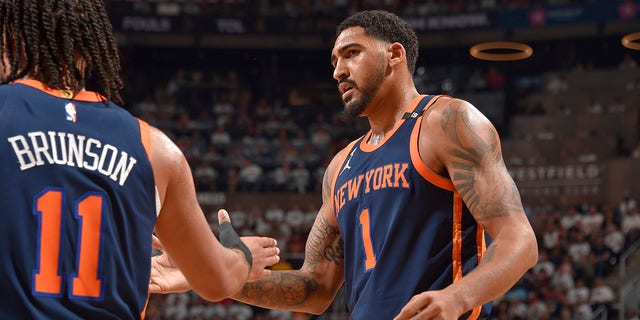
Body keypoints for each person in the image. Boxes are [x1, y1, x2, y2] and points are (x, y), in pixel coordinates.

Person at [150, 10, 537, 319]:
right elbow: (314, 289)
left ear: (395, 55)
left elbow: (519, 241)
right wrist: (208, 273)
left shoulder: (448, 122)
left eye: (352, 53)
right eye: (334, 60)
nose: (337, 71)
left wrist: (457, 298)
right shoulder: (341, 166)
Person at [0, 1, 279, 319]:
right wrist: (239, 255)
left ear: (9, 39)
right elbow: (217, 281)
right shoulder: (156, 148)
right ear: (92, 47)